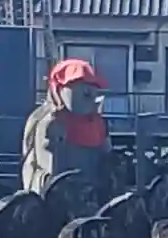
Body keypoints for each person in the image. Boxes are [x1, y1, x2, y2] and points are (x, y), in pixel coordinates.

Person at [21, 57, 112, 195]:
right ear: (59, 89)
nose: (89, 95)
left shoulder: (99, 123)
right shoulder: (50, 122)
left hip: (93, 189)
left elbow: (106, 154)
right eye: (84, 91)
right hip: (60, 192)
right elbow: (49, 165)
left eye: (93, 90)